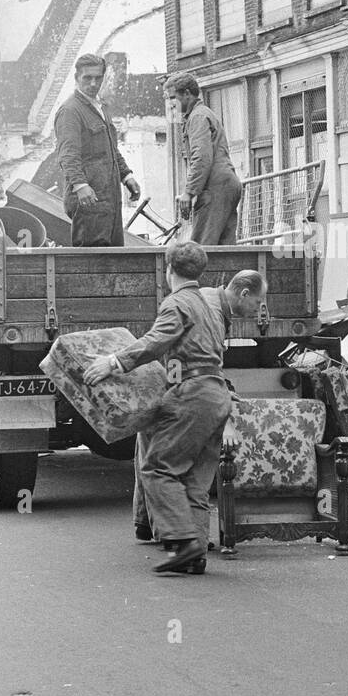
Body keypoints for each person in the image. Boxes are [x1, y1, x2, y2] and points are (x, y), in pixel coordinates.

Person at [83, 242, 231, 575]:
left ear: (168, 270)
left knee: (157, 468)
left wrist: (115, 361)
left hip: (192, 394)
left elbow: (155, 341)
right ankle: (195, 556)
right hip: (216, 395)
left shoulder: (176, 302)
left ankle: (183, 543)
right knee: (193, 478)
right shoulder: (207, 303)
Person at [131, 269, 267, 544]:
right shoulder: (211, 310)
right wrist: (224, 415)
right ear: (243, 294)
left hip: (179, 385)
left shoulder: (210, 302)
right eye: (257, 303)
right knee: (176, 470)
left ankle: (153, 527)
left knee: (154, 457)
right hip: (183, 389)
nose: (257, 311)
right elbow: (204, 364)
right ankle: (184, 540)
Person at [54, 53, 140, 246]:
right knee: (93, 262)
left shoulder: (101, 108)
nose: (93, 83)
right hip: (89, 201)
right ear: (77, 78)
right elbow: (68, 156)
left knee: (113, 258)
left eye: (98, 78)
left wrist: (127, 176)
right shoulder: (70, 111)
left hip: (109, 199)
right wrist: (80, 186)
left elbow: (111, 149)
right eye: (87, 78)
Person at [164, 72, 242, 245]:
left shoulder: (197, 117)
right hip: (226, 185)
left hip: (215, 187)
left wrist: (189, 191)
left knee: (201, 248)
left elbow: (201, 157)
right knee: (225, 248)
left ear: (186, 93)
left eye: (172, 98)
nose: (170, 104)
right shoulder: (203, 113)